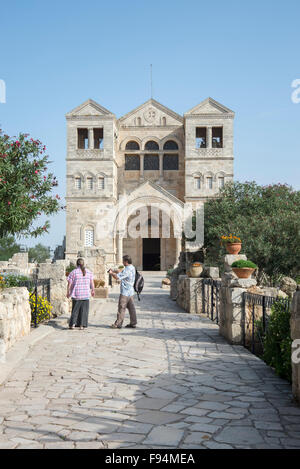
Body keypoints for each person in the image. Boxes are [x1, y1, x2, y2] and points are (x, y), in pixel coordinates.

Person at [109, 255, 137, 329]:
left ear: (126, 262)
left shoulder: (127, 269)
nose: (122, 262)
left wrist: (111, 273)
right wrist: (115, 271)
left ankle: (118, 324)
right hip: (131, 291)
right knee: (132, 308)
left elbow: (117, 277)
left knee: (121, 307)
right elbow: (122, 273)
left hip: (125, 292)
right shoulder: (132, 267)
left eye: (123, 261)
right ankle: (133, 323)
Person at [67, 258, 95, 330]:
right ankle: (82, 325)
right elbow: (92, 282)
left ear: (77, 264)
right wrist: (93, 290)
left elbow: (69, 283)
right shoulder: (89, 272)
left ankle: (73, 324)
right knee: (84, 311)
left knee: (75, 310)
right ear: (83, 264)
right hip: (85, 294)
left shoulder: (74, 272)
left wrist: (68, 292)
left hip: (77, 294)